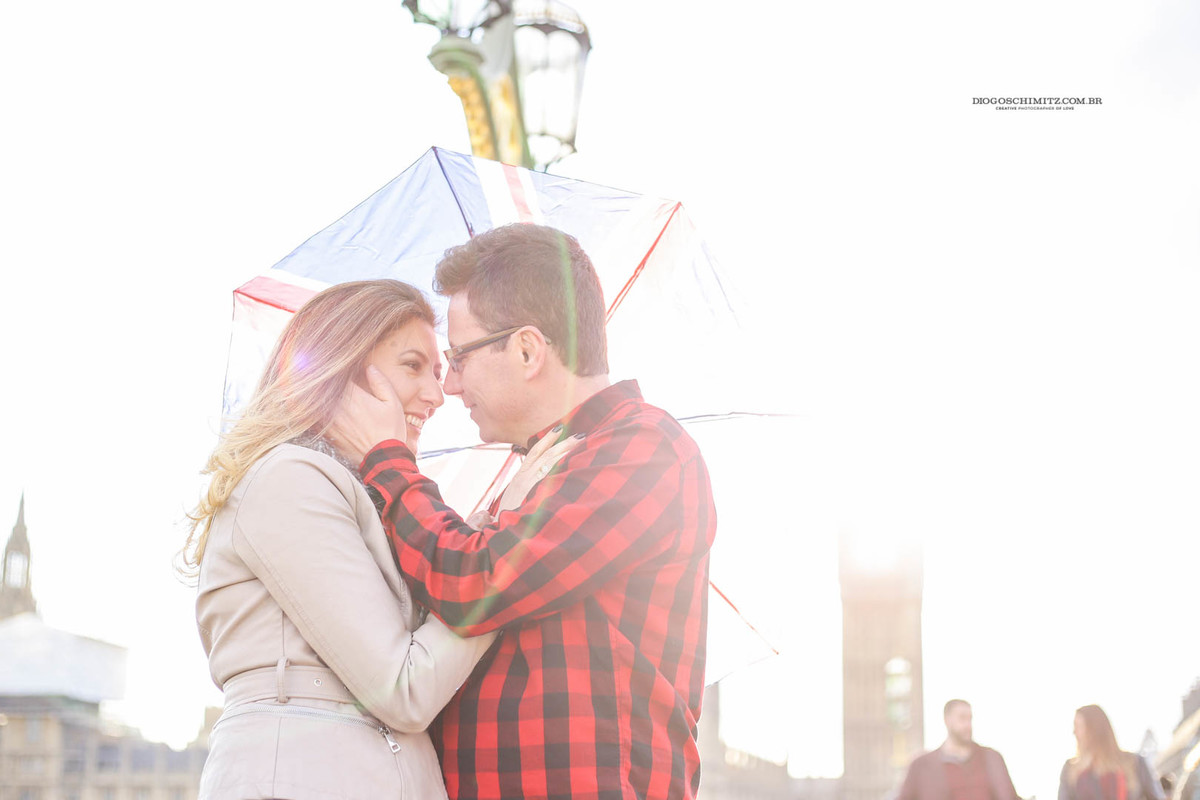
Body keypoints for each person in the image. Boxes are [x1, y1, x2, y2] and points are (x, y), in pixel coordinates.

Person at [329, 223, 718, 800]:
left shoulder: (643, 451)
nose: (451, 385)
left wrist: (387, 463)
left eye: (458, 357)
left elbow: (475, 583)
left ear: (528, 350)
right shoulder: (530, 480)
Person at [183, 280, 513, 800]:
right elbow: (405, 687)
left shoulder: (361, 498)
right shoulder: (287, 480)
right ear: (344, 368)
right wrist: (496, 562)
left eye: (438, 372)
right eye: (412, 366)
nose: (435, 395)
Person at [896, 699, 1020, 800]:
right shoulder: (922, 766)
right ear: (947, 720)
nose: (968, 725)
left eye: (970, 719)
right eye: (962, 718)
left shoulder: (992, 758)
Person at [1059, 704, 1165, 800]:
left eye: (1078, 726)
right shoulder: (1071, 770)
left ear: (1094, 730)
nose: (1074, 732)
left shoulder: (1135, 763)